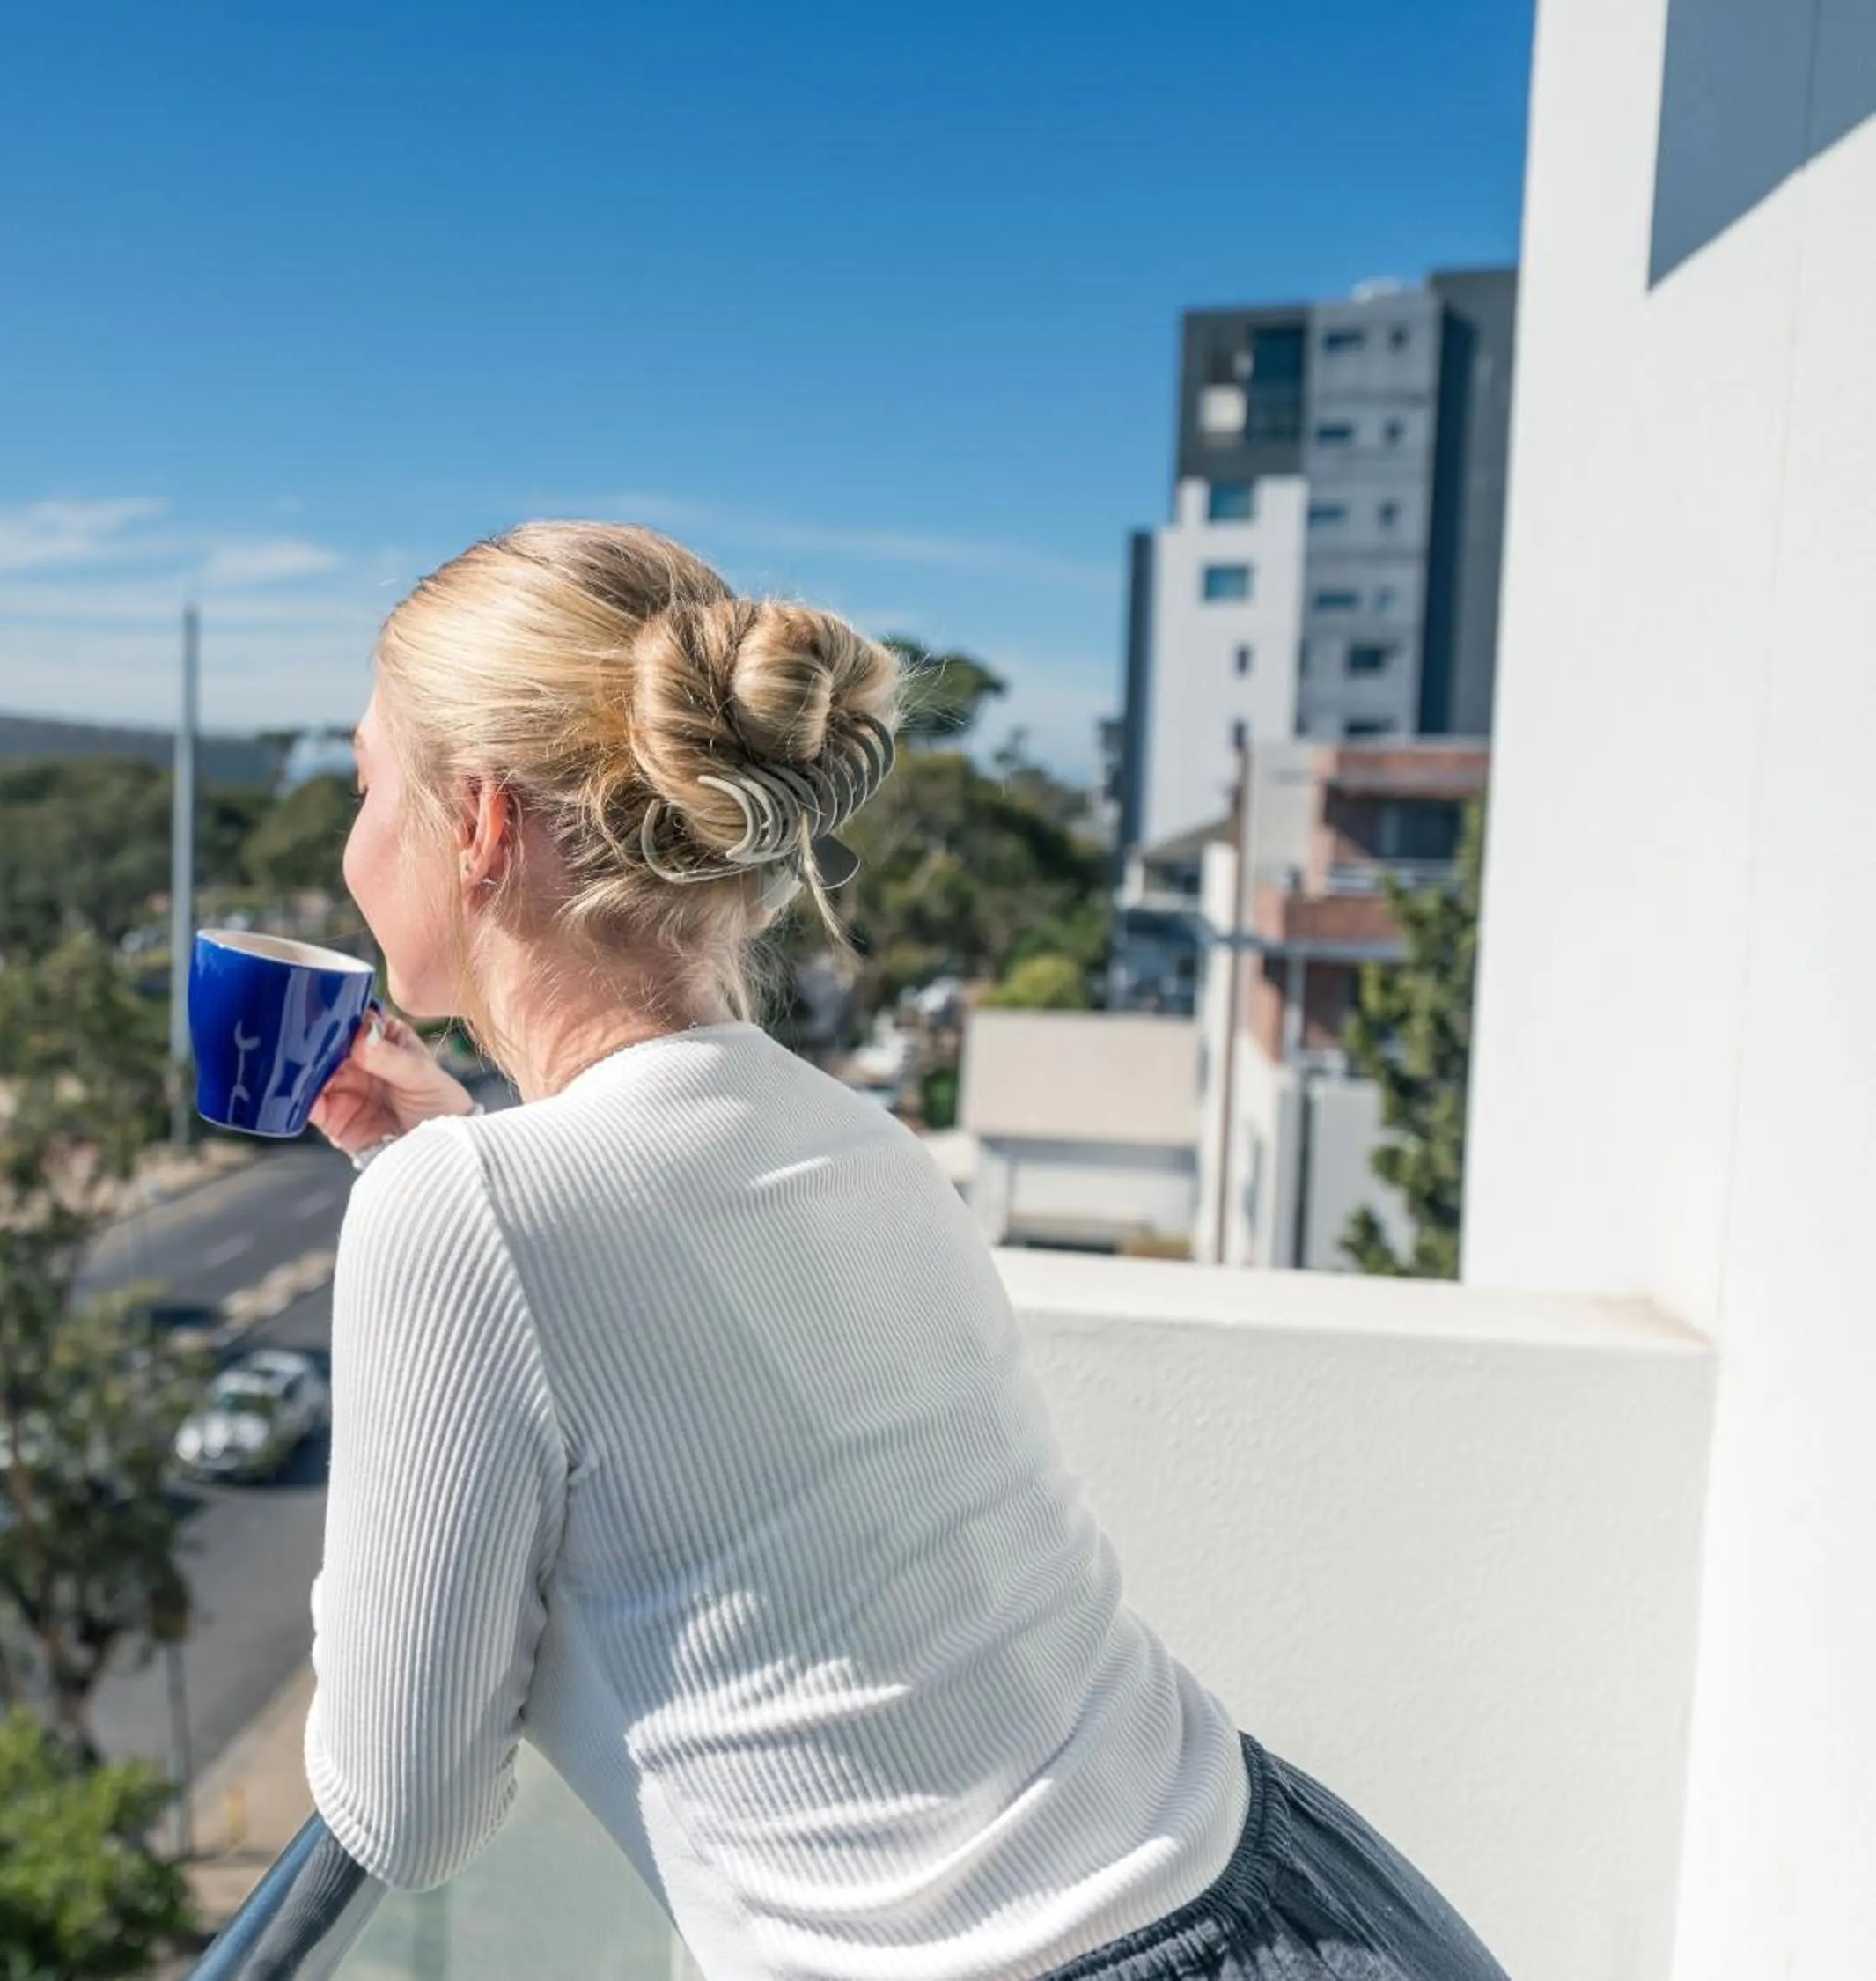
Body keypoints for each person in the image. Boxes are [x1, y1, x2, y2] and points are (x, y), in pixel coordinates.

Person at [302, 522, 1507, 1980]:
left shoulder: (465, 1214)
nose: (351, 841)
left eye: (369, 785)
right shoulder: (858, 1138)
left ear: (483, 822)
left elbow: (403, 1811)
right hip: (1306, 1894)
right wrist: (443, 1165)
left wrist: (435, 1190)